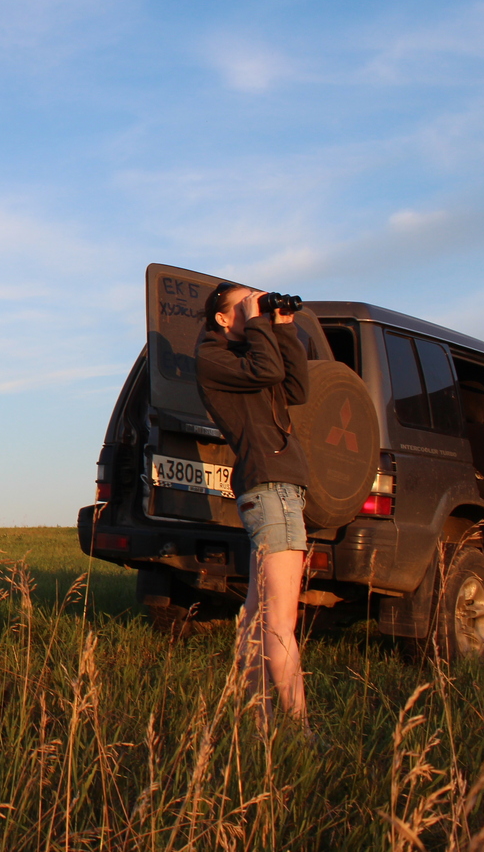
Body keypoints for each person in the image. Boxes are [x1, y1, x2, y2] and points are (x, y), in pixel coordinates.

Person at [196, 282, 311, 722]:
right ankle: (299, 731)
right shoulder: (213, 358)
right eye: (245, 306)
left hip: (275, 489)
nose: (255, 309)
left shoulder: (249, 356)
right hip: (271, 488)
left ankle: (256, 720)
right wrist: (261, 324)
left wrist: (283, 327)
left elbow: (296, 387)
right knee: (281, 621)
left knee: (257, 615)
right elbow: (266, 373)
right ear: (222, 319)